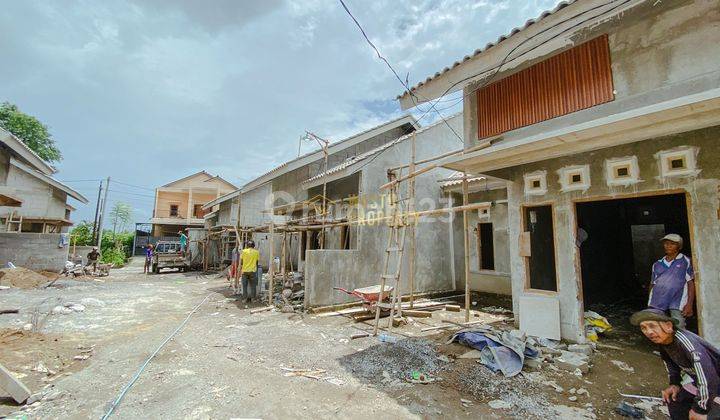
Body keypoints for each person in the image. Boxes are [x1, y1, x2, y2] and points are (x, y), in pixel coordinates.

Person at [630, 308, 720, 419]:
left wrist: (700, 410)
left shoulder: (688, 344)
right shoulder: (664, 342)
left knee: (707, 414)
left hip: (714, 384)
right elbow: (671, 362)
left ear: (668, 326)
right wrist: (675, 383)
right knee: (676, 401)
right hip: (706, 384)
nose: (648, 332)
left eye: (652, 326)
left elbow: (708, 378)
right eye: (643, 328)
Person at [648, 234, 695, 329]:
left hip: (677, 299)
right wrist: (649, 301)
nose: (668, 246)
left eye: (672, 244)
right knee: (658, 326)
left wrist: (689, 304)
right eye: (666, 243)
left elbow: (690, 283)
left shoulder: (685, 261)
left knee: (679, 325)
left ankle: (679, 343)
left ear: (679, 246)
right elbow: (652, 284)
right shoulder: (657, 264)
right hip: (658, 300)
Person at [239, 240, 260, 306]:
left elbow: (241, 262)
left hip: (244, 271)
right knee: (253, 285)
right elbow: (257, 262)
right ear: (254, 245)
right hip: (253, 271)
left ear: (247, 245)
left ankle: (244, 299)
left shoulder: (244, 251)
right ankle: (253, 299)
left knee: (244, 286)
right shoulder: (256, 252)